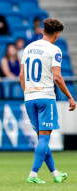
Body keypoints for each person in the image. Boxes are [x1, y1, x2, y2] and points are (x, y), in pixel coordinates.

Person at [19, 18, 76, 184]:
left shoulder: (28, 47)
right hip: (45, 97)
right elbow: (57, 77)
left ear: (43, 30)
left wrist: (27, 93)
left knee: (41, 139)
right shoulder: (54, 50)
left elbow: (21, 75)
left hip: (29, 98)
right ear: (57, 35)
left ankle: (55, 174)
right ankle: (33, 175)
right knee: (44, 139)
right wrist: (70, 97)